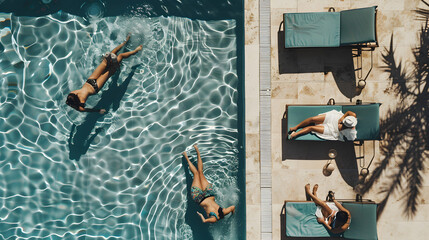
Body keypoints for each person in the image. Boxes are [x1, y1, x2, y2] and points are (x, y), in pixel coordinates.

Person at [66, 34, 142, 113]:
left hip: (94, 87)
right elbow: (72, 102)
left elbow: (86, 110)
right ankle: (127, 44)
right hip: (90, 82)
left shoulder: (80, 105)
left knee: (116, 61)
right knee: (110, 58)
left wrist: (98, 110)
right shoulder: (72, 94)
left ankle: (134, 50)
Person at [182, 144, 235, 223]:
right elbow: (204, 221)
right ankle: (186, 156)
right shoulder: (215, 219)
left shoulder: (224, 212)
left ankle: (196, 150)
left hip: (204, 195)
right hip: (203, 196)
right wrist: (200, 215)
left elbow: (232, 207)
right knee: (197, 173)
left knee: (199, 173)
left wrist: (232, 216)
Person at [289, 110, 357, 141]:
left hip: (332, 130)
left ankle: (295, 134)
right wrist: (343, 117)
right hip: (333, 119)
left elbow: (352, 139)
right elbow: (348, 112)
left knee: (311, 128)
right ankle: (296, 127)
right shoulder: (353, 116)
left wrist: (352, 129)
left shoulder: (351, 131)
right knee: (312, 119)